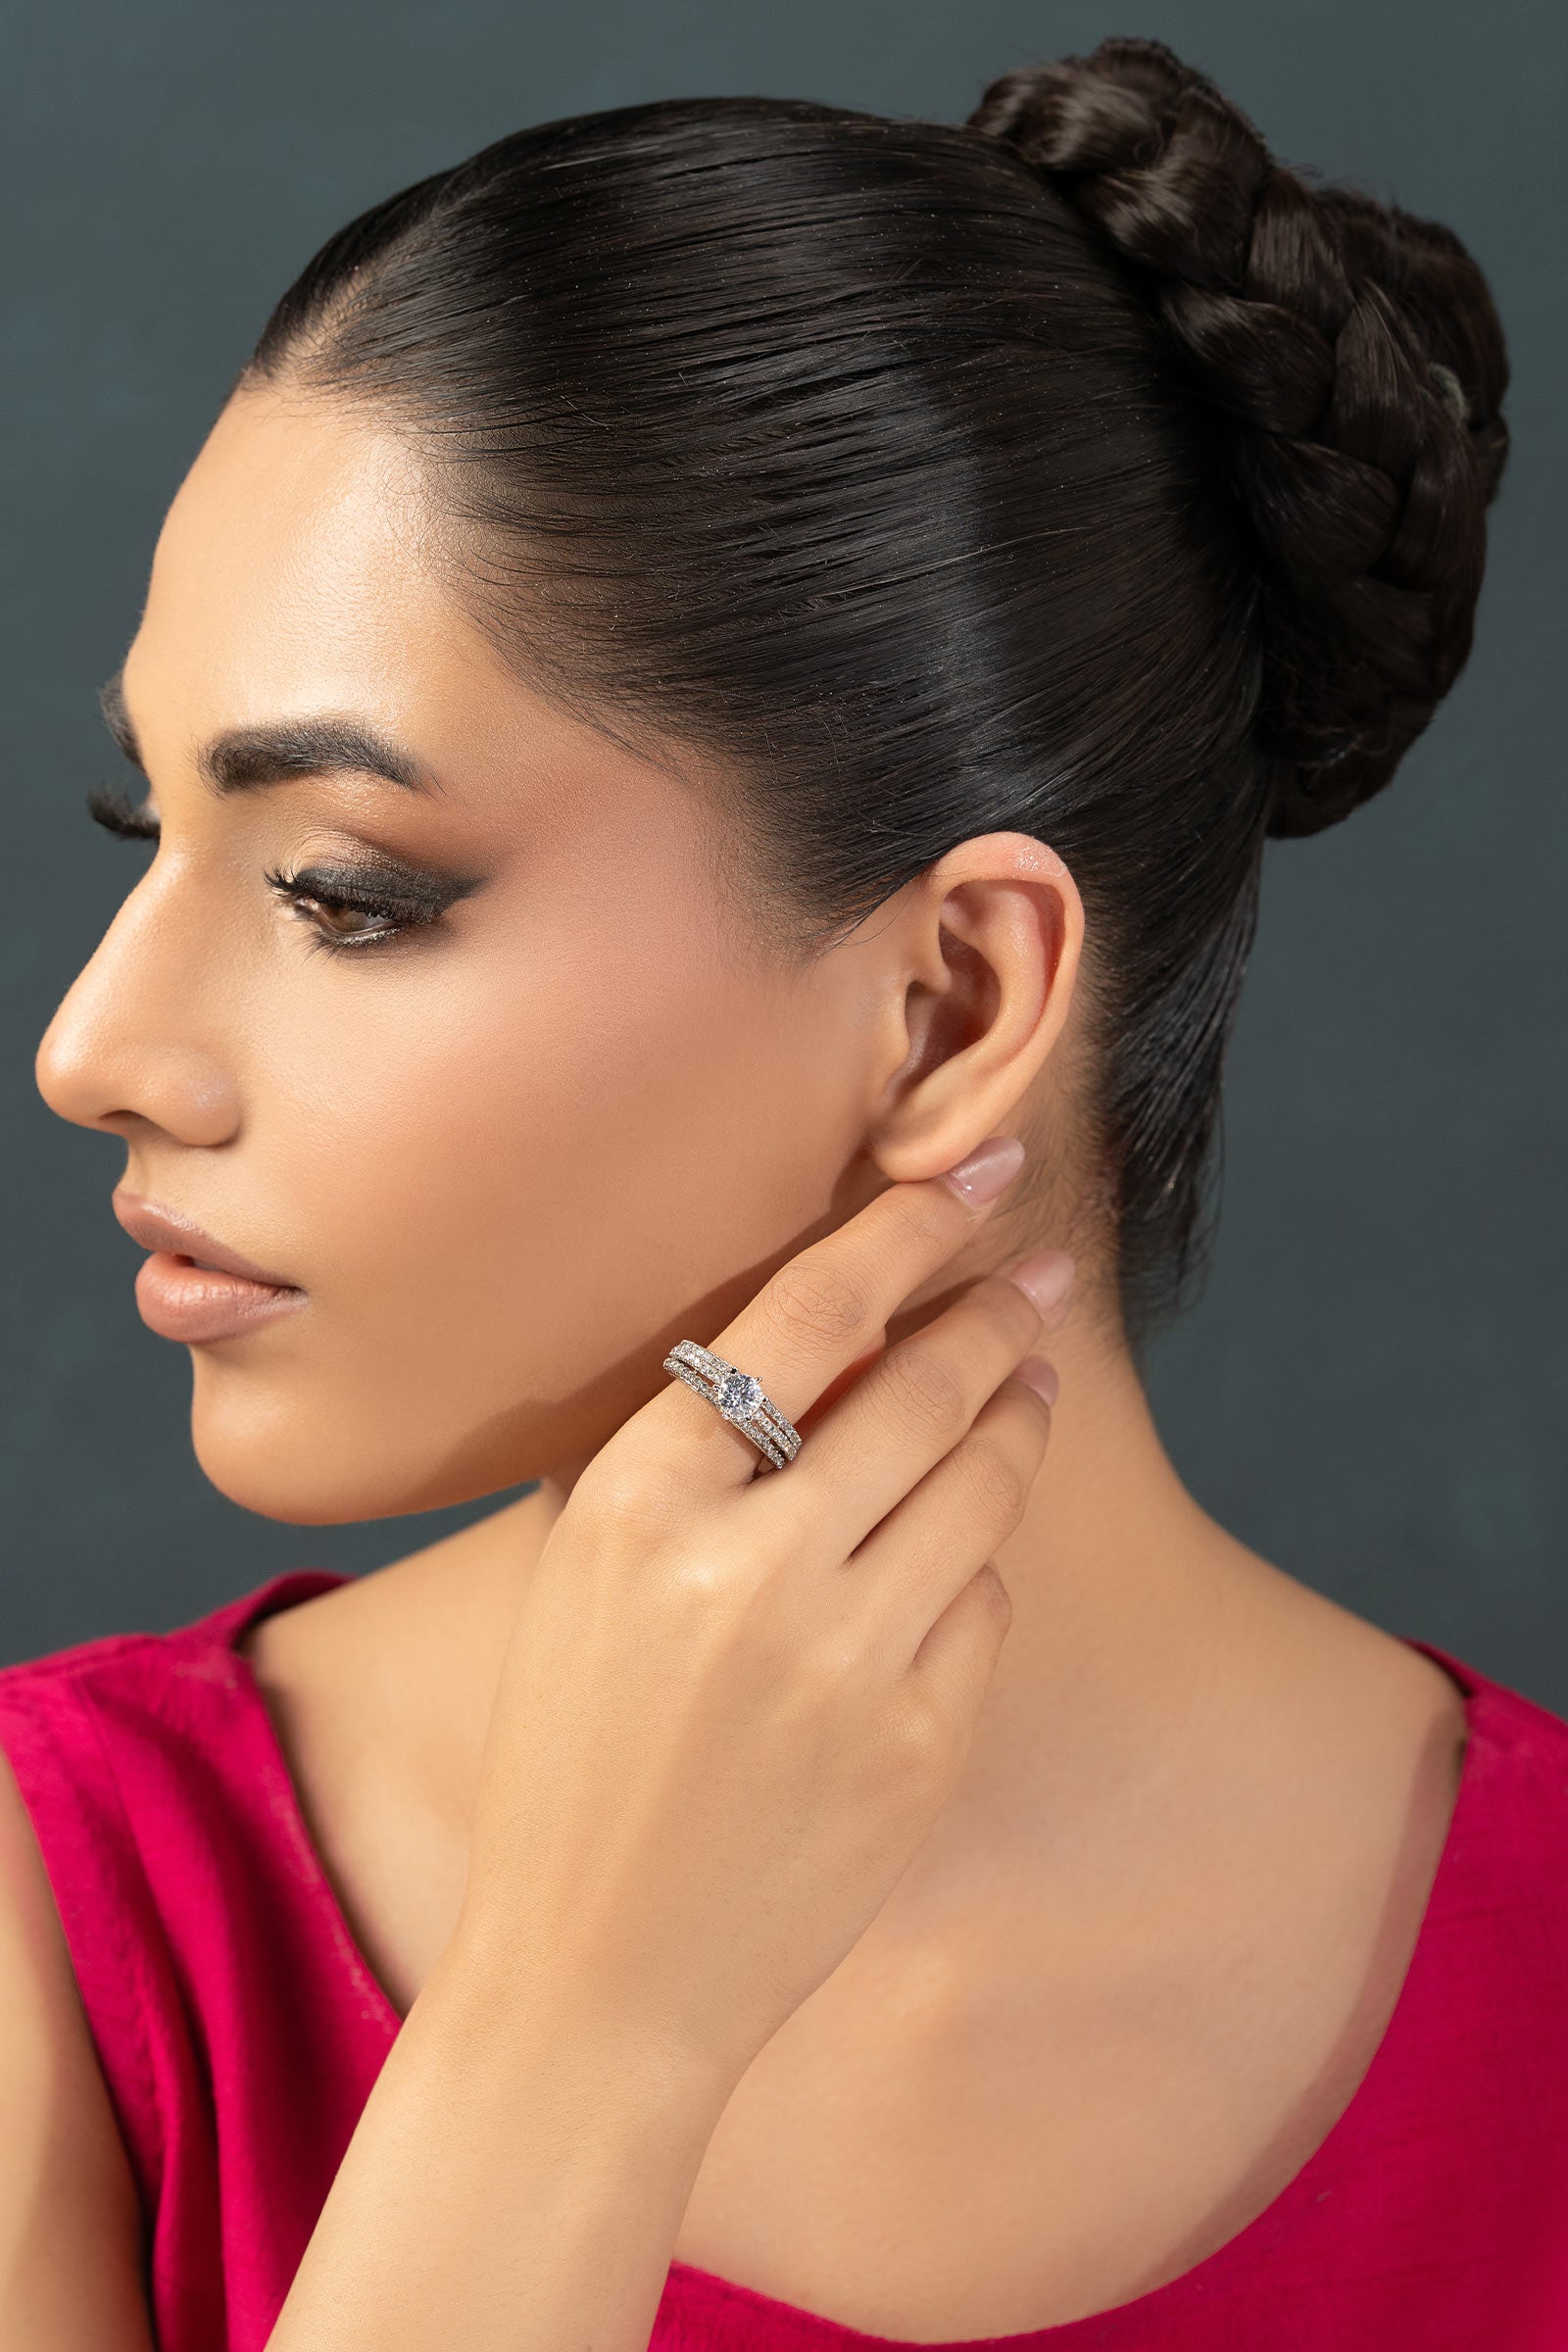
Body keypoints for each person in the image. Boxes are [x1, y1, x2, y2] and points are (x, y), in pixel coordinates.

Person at [0, 31, 1557, 2352]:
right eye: (150, 832)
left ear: (946, 1003)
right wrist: (571, 2037)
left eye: (339, 890)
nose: (87, 1051)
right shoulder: (62, 1921)